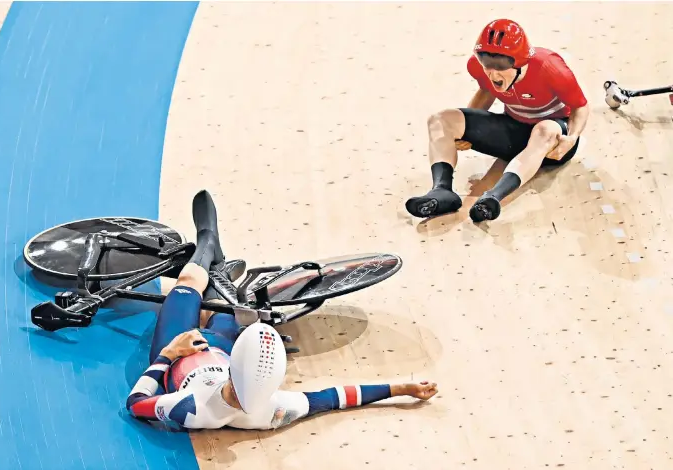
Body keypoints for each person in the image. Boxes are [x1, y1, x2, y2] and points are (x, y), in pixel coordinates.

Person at [126, 190, 438, 430]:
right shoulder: (270, 410)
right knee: (232, 301)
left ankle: (207, 245)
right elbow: (333, 398)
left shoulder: (192, 409)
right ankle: (216, 262)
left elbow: (135, 403)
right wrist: (401, 387)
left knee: (189, 282)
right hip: (220, 347)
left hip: (180, 349)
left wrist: (168, 354)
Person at [405, 18, 590, 223]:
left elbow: (580, 106)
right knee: (441, 120)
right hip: (514, 134)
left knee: (544, 129)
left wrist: (572, 138)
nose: (492, 72)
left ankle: (493, 197)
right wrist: (463, 132)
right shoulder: (478, 68)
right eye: (486, 62)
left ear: (520, 62)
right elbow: (486, 92)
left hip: (553, 143)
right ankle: (441, 190)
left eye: (500, 64)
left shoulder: (550, 66)